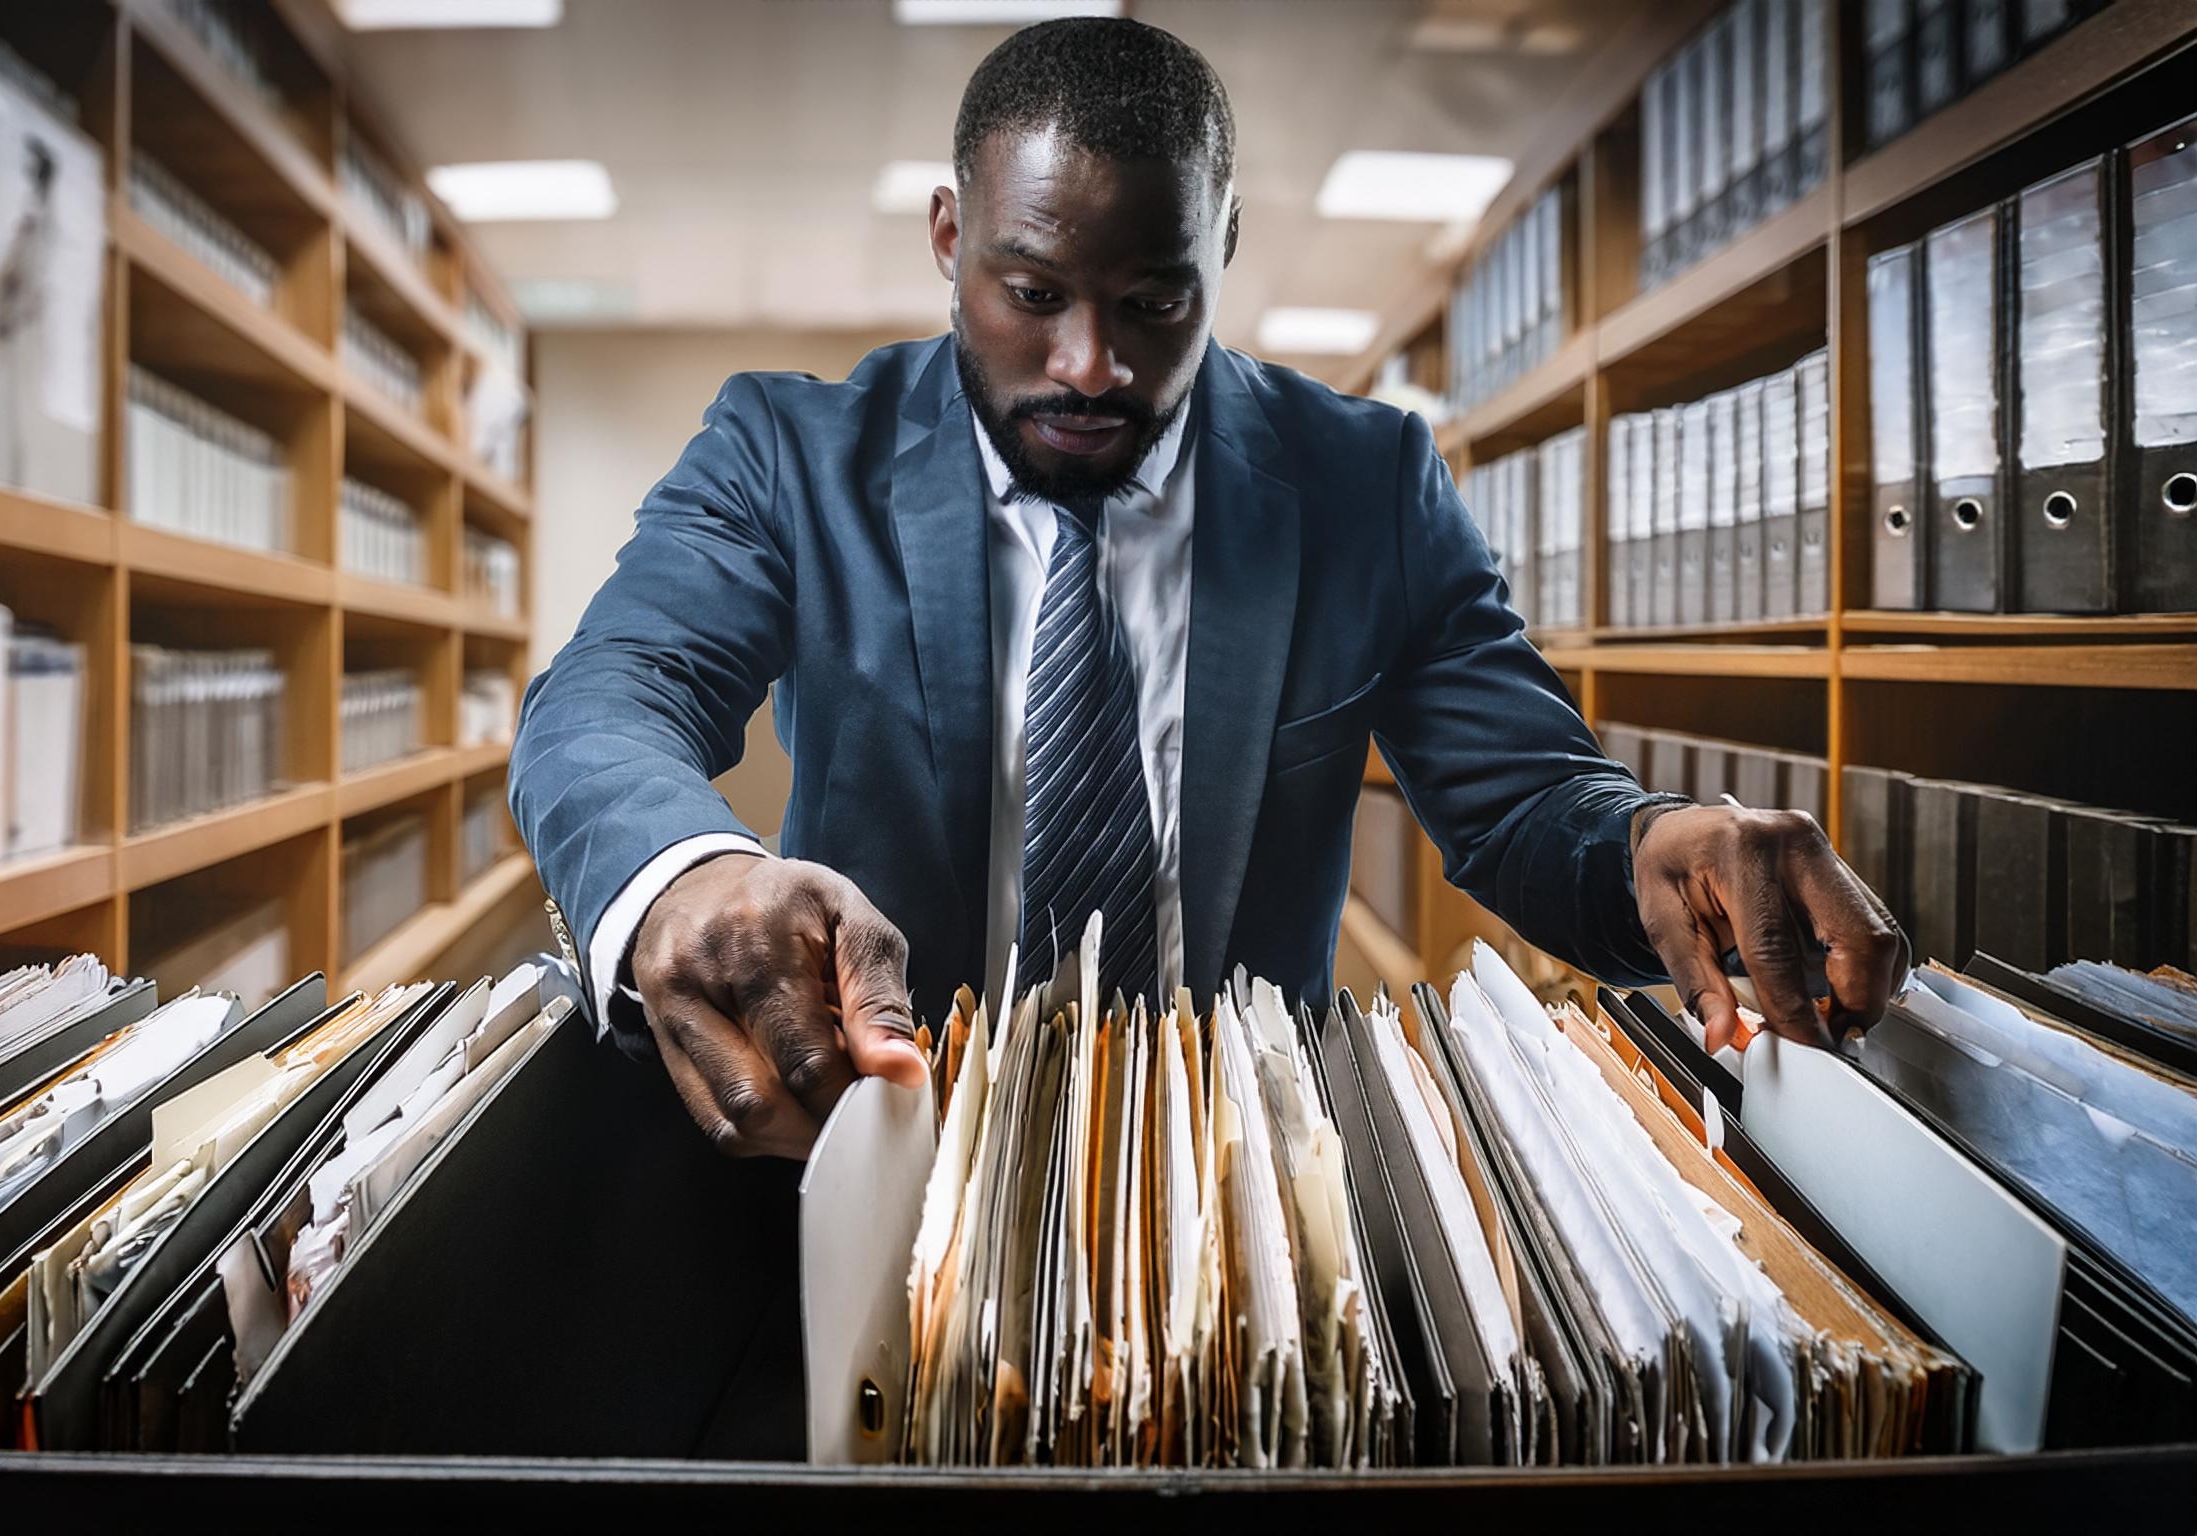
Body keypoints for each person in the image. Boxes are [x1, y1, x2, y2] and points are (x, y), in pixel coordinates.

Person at [511, 17, 1902, 1159]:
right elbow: (611, 692)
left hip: (1230, 1183)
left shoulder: (1367, 480)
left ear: (1223, 247)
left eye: (1153, 300)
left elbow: (1527, 798)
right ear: (950, 239)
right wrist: (693, 874)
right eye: (1033, 291)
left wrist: (1656, 835)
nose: (1091, 364)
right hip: (875, 1153)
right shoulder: (790, 450)